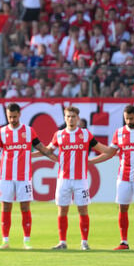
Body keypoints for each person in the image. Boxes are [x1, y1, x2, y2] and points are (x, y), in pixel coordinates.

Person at [0, 103, 57, 249]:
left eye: (14, 116)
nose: (12, 119)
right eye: (9, 117)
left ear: (19, 114)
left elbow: (42, 149)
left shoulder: (29, 131)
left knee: (25, 207)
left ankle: (26, 241)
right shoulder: (2, 132)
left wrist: (57, 159)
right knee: (6, 207)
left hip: (24, 177)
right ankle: (5, 241)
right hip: (6, 177)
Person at [89, 105, 134, 251]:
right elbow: (110, 153)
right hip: (123, 178)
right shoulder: (119, 133)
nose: (128, 121)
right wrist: (90, 162)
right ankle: (124, 242)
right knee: (123, 209)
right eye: (126, 118)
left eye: (131, 118)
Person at [47, 106, 111, 250]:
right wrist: (55, 159)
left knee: (83, 210)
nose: (70, 119)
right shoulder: (58, 135)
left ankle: (84, 242)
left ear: (78, 119)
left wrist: (93, 161)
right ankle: (62, 242)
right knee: (62, 210)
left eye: (73, 116)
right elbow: (48, 151)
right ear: (64, 118)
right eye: (68, 116)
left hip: (80, 180)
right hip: (63, 179)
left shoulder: (85, 134)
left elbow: (104, 151)